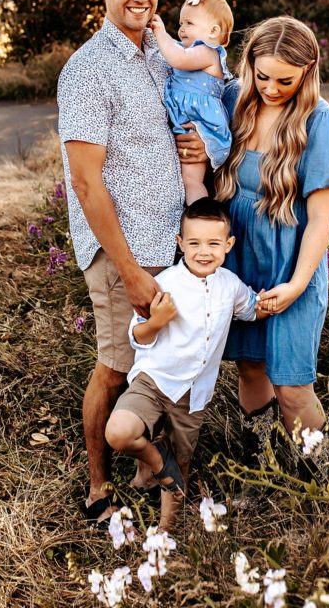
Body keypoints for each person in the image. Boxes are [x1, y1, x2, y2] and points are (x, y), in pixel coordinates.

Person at [57, 0, 206, 525]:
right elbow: (87, 185)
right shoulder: (87, 69)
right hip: (125, 251)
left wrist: (195, 146)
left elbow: (175, 126)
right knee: (116, 366)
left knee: (160, 364)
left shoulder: (161, 56)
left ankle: (152, 468)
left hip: (170, 238)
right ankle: (97, 485)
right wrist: (130, 270)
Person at [215, 16, 329, 450]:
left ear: (308, 71)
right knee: (250, 367)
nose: (272, 89)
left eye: (286, 80)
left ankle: (316, 476)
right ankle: (264, 462)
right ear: (249, 65)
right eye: (263, 76)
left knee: (292, 385)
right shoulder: (233, 99)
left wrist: (295, 284)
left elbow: (321, 220)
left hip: (292, 265)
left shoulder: (319, 121)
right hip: (239, 260)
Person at [105, 198, 266, 530]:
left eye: (213, 243)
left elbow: (253, 308)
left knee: (182, 469)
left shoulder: (230, 285)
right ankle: (156, 459)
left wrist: (287, 294)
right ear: (180, 244)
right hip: (154, 381)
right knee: (119, 433)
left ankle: (165, 533)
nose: (203, 251)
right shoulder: (166, 283)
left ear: (228, 245)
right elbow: (137, 335)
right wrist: (157, 320)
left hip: (193, 395)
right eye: (193, 243)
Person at [150, 0, 234, 204]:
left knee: (192, 180)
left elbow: (177, 59)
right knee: (184, 178)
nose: (181, 29)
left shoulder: (208, 51)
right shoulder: (186, 48)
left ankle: (200, 214)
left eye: (189, 23)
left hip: (200, 123)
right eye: (180, 23)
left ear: (214, 31)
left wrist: (160, 32)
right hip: (186, 119)